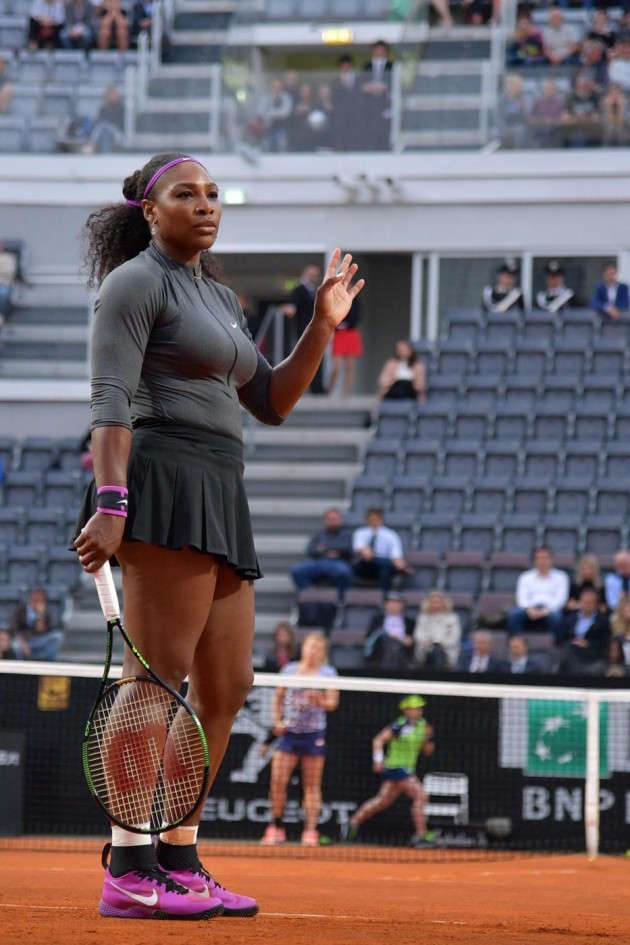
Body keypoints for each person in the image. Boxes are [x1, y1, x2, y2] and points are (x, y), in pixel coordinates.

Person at [71, 151, 363, 919]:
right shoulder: (133, 283)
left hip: (221, 487)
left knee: (227, 686)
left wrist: (321, 326)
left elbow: (271, 400)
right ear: (150, 210)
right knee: (156, 677)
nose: (205, 204)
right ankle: (128, 865)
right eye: (185, 194)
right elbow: (109, 397)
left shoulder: (219, 296)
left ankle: (180, 857)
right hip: (160, 479)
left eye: (212, 194)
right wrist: (111, 501)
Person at [260, 631, 339, 847]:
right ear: (303, 648)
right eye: (310, 647)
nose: (313, 651)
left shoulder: (328, 673)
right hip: (289, 735)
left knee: (311, 784)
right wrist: (277, 721)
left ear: (323, 652)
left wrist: (319, 699)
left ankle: (310, 831)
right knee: (278, 781)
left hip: (314, 735)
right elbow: (278, 698)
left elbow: (332, 703)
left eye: (318, 648)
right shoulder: (289, 670)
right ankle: (275, 827)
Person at [343, 695, 436, 848]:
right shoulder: (399, 726)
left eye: (420, 708)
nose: (418, 711)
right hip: (396, 768)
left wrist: (428, 738)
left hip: (407, 769)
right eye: (414, 708)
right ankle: (421, 835)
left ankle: (352, 823)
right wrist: (378, 760)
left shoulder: (424, 726)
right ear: (406, 710)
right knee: (421, 796)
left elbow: (427, 751)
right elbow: (378, 740)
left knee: (382, 802)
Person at [289, 506, 354, 602]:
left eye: (335, 519)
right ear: (326, 520)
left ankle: (340, 600)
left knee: (344, 572)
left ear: (340, 520)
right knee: (296, 570)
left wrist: (324, 548)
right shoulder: (318, 535)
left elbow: (346, 549)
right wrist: (332, 550)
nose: (333, 522)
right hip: (319, 562)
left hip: (337, 563)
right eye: (331, 519)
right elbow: (311, 550)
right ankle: (309, 597)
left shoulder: (346, 535)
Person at [282, 262, 326, 393]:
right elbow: (294, 306)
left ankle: (317, 386)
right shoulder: (299, 290)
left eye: (315, 275)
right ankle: (305, 386)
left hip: (315, 329)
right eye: (312, 274)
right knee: (305, 357)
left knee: (316, 356)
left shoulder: (315, 291)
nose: (314, 277)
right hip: (304, 329)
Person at [507, 546, 569, 637]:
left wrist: (544, 612)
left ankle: (551, 643)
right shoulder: (525, 577)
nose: (542, 561)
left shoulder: (561, 577)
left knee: (557, 617)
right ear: (535, 560)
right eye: (539, 558)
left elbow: (560, 600)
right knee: (514, 614)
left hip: (550, 610)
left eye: (545, 558)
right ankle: (517, 641)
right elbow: (522, 597)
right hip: (529, 609)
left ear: (551, 560)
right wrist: (529, 609)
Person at [352, 507, 411, 594]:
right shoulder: (360, 532)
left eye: (376, 518)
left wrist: (397, 560)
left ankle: (383, 596)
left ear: (381, 519)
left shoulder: (391, 534)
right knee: (379, 562)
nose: (373, 520)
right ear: (367, 519)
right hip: (365, 564)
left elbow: (396, 553)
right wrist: (365, 551)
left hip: (383, 566)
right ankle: (401, 569)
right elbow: (359, 548)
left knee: (385, 571)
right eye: (371, 518)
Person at [556, 587, 611, 674]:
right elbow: (560, 638)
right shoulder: (569, 619)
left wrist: (587, 643)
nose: (587, 605)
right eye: (585, 602)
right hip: (571, 650)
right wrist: (573, 642)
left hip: (592, 653)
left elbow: (604, 640)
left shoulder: (602, 621)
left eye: (590, 603)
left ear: (596, 604)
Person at [8, 587, 65, 661]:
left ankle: (46, 662)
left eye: (41, 599)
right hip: (23, 641)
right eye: (36, 598)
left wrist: (40, 616)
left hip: (38, 641)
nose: (38, 601)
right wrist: (23, 644)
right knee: (15, 645)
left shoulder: (46, 613)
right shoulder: (20, 611)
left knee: (57, 637)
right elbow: (14, 629)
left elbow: (42, 631)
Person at [363, 591, 414, 669]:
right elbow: (370, 635)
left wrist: (408, 640)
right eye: (391, 602)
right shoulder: (377, 619)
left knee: (396, 648)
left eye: (396, 603)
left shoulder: (410, 622)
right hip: (381, 648)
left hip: (402, 648)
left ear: (403, 605)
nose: (393, 605)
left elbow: (413, 638)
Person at [413, 588, 462, 669]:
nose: (435, 604)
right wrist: (429, 642)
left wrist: (442, 643)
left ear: (444, 603)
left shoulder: (452, 618)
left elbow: (455, 636)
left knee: (438, 651)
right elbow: (418, 635)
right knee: (434, 650)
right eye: (433, 602)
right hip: (426, 648)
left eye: (438, 602)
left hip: (446, 649)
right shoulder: (423, 617)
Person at [327, 296, 363, 397]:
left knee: (350, 366)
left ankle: (346, 393)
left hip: (351, 333)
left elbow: (357, 317)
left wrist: (347, 324)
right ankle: (329, 390)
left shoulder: (356, 302)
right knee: (336, 366)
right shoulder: (337, 301)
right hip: (339, 334)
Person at [528, 78, 565, 148]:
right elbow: (531, 120)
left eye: (552, 89)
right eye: (548, 89)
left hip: (555, 132)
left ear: (556, 90)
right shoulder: (537, 103)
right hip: (540, 132)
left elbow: (564, 120)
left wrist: (552, 121)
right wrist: (541, 120)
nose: (550, 91)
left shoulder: (560, 104)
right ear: (543, 89)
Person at [497, 74, 530, 149]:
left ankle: (518, 152)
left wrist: (522, 109)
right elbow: (499, 118)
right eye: (517, 86)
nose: (520, 88)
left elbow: (526, 119)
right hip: (505, 127)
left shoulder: (523, 99)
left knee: (520, 130)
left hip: (519, 128)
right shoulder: (502, 101)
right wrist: (505, 130)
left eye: (520, 86)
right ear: (510, 86)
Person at [0, 240, 18, 321]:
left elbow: (9, 271)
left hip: (3, 283)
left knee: (3, 294)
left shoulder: (8, 258)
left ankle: (1, 315)